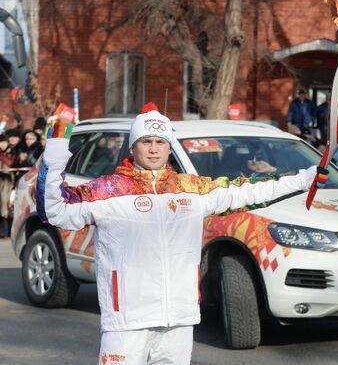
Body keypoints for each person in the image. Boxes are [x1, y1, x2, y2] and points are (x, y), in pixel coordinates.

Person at [38, 103, 321, 365]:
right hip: (126, 320)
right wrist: (56, 150)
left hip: (179, 319)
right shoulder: (107, 190)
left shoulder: (192, 189)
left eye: (160, 142)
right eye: (145, 142)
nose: (153, 149)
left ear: (169, 147)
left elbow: (248, 190)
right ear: (133, 147)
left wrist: (303, 179)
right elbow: (55, 210)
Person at [0, 135, 13, 238]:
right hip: (1, 181)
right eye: (1, 142)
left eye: (4, 142)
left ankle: (6, 231)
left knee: (6, 204)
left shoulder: (11, 152)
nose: (2, 144)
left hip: (8, 182)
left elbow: (10, 162)